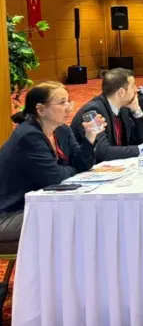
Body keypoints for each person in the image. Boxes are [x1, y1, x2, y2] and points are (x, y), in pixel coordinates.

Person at [0, 82, 103, 244]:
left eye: (68, 101)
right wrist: (72, 168)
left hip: (36, 205)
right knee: (73, 217)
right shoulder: (29, 136)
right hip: (10, 213)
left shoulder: (62, 130)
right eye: (62, 103)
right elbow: (54, 178)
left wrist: (90, 137)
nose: (69, 107)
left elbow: (82, 164)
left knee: (86, 211)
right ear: (41, 110)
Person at [70, 68, 143, 162]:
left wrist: (137, 110)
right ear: (121, 92)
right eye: (133, 86)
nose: (136, 89)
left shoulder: (123, 107)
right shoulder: (93, 111)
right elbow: (103, 151)